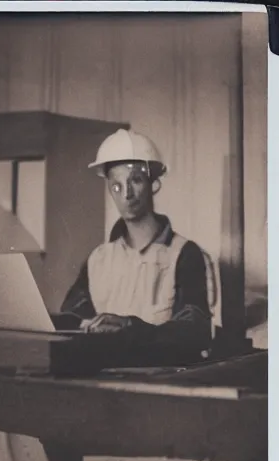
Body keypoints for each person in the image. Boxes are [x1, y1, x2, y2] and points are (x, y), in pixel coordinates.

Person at [58, 128, 214, 364]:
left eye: (136, 181)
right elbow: (70, 320)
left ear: (153, 184)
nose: (127, 194)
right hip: (103, 380)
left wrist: (129, 327)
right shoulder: (98, 259)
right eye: (117, 186)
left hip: (163, 385)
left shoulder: (185, 254)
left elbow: (193, 333)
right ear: (110, 191)